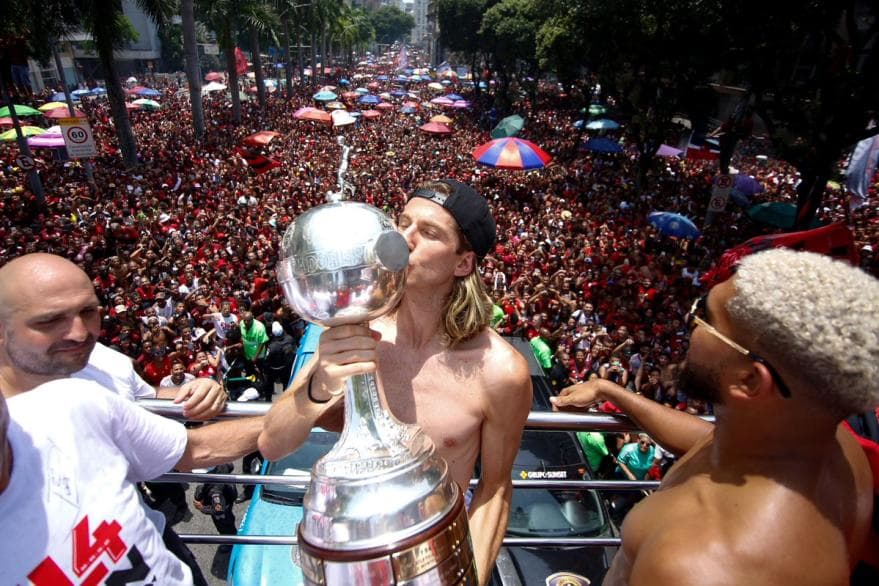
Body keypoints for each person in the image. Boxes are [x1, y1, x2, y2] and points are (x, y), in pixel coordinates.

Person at [260, 179, 533, 584]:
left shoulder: (500, 371)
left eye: (430, 233)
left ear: (463, 263)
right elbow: (274, 443)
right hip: (350, 560)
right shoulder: (354, 327)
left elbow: (494, 491)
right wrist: (320, 385)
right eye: (401, 222)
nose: (404, 239)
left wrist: (463, 578)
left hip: (436, 558)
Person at [551, 249, 878, 585]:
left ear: (750, 380)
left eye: (704, 316)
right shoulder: (830, 446)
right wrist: (613, 391)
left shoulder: (699, 564)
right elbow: (706, 443)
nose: (690, 326)